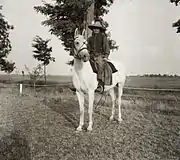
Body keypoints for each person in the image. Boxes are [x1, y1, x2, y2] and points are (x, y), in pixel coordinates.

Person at [87, 20, 112, 93]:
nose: (95, 30)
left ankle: (100, 84)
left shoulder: (103, 36)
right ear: (93, 29)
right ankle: (81, 83)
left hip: (100, 55)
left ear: (100, 29)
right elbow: (88, 47)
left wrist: (106, 55)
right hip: (91, 55)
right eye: (94, 28)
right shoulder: (90, 38)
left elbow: (106, 46)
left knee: (100, 65)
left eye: (97, 28)